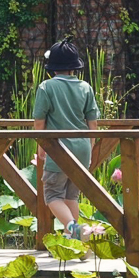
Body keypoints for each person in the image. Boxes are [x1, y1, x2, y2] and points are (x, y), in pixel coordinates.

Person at [33, 37, 100, 240]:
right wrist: (90, 147)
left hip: (58, 148)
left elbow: (39, 121)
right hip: (82, 147)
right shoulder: (85, 87)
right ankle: (75, 241)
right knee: (71, 195)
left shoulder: (47, 87)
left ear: (52, 67)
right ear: (74, 67)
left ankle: (73, 228)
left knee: (52, 194)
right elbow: (93, 123)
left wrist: (41, 147)